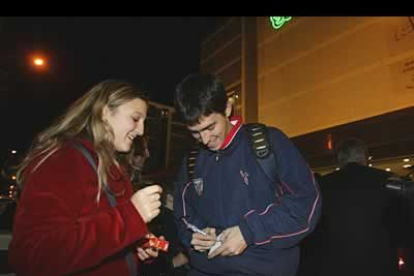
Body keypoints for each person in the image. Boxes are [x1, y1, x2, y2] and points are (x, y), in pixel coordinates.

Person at [8, 80, 163, 276]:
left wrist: (144, 243)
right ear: (105, 113)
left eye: (144, 122)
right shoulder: (62, 160)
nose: (141, 130)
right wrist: (132, 216)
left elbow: (108, 238)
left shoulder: (114, 168)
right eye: (135, 118)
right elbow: (34, 257)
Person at [173, 73, 321, 276]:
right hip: (204, 270)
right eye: (196, 132)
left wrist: (249, 232)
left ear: (226, 108)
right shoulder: (191, 160)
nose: (205, 139)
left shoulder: (269, 143)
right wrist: (193, 234)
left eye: (210, 127)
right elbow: (182, 215)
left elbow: (306, 205)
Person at [316, 138, 400, 276]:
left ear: (339, 159)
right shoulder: (388, 180)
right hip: (380, 262)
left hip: (337, 263)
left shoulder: (322, 185)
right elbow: (400, 222)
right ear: (364, 156)